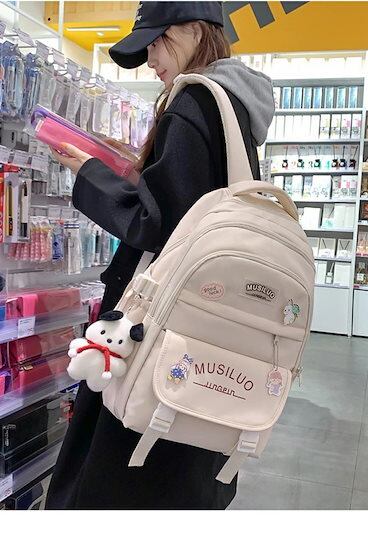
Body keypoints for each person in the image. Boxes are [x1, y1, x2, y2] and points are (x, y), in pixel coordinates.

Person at [45, 1, 274, 510]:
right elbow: (194, 204)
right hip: (207, 325)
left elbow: (159, 225)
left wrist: (89, 172)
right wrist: (137, 169)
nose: (150, 60)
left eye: (155, 43)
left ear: (193, 30)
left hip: (157, 328)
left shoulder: (193, 101)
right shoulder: (235, 104)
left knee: (114, 472)